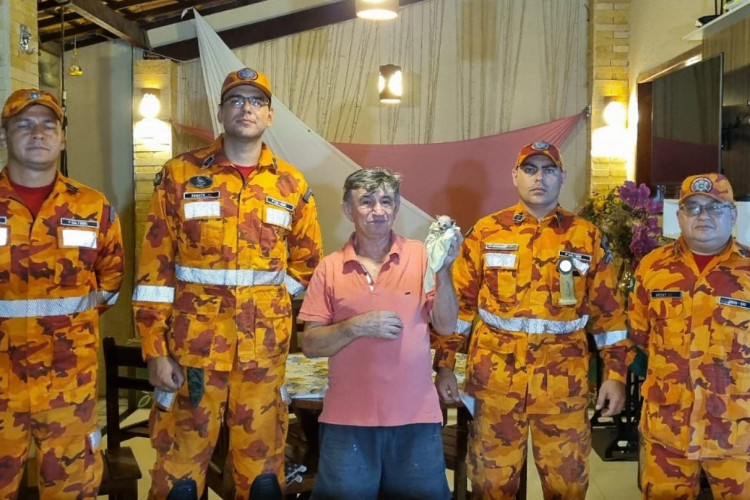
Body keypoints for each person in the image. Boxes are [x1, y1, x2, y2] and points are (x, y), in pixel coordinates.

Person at [132, 68, 323, 499]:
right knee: (179, 478)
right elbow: (154, 273)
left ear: (270, 115)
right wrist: (155, 350)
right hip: (192, 354)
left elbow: (307, 267)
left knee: (262, 479)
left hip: (262, 357)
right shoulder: (179, 176)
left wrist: (270, 306)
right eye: (236, 99)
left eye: (256, 101)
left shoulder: (291, 185)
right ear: (221, 112)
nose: (246, 108)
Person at [433, 140, 635, 500]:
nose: (539, 178)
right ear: (515, 176)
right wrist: (444, 364)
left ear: (562, 177)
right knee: (491, 486)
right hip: (495, 382)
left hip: (563, 384)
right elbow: (459, 308)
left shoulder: (585, 236)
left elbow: (610, 316)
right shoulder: (487, 232)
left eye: (548, 170)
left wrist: (616, 376)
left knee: (567, 485)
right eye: (529, 169)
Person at [298, 167, 460, 500]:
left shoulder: (421, 256)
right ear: (348, 210)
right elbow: (310, 344)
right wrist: (357, 325)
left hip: (416, 417)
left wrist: (444, 269)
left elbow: (445, 325)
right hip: (347, 420)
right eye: (367, 202)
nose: (378, 211)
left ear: (396, 207)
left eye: (386, 201)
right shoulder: (329, 268)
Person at [0, 89, 124, 498]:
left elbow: (110, 282)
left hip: (68, 381)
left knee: (72, 489)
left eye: (48, 125)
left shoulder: (92, 207)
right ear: (4, 135)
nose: (38, 133)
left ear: (63, 137)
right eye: (23, 124)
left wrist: (67, 326)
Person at [630, 173, 750, 499]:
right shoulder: (652, 267)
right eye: (693, 207)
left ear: (733, 215)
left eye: (715, 207)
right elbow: (639, 334)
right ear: (679, 216)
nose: (703, 215)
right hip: (667, 428)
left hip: (737, 433)